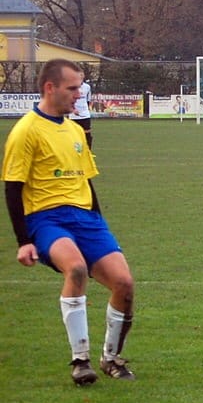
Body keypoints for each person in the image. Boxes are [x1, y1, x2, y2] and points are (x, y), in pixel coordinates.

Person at [2, 59, 136, 385]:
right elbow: (12, 187)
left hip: (85, 218)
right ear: (50, 87)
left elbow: (87, 182)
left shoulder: (75, 129)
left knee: (124, 284)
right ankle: (80, 360)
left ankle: (110, 358)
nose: (79, 94)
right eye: (72, 88)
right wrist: (24, 242)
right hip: (46, 219)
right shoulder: (26, 131)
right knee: (75, 268)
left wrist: (99, 224)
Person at [70, 75, 93, 149]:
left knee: (87, 133)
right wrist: (73, 110)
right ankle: (75, 150)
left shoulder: (87, 87)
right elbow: (68, 100)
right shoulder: (71, 87)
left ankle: (88, 151)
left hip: (85, 114)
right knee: (74, 134)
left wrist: (86, 110)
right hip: (73, 115)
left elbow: (88, 100)